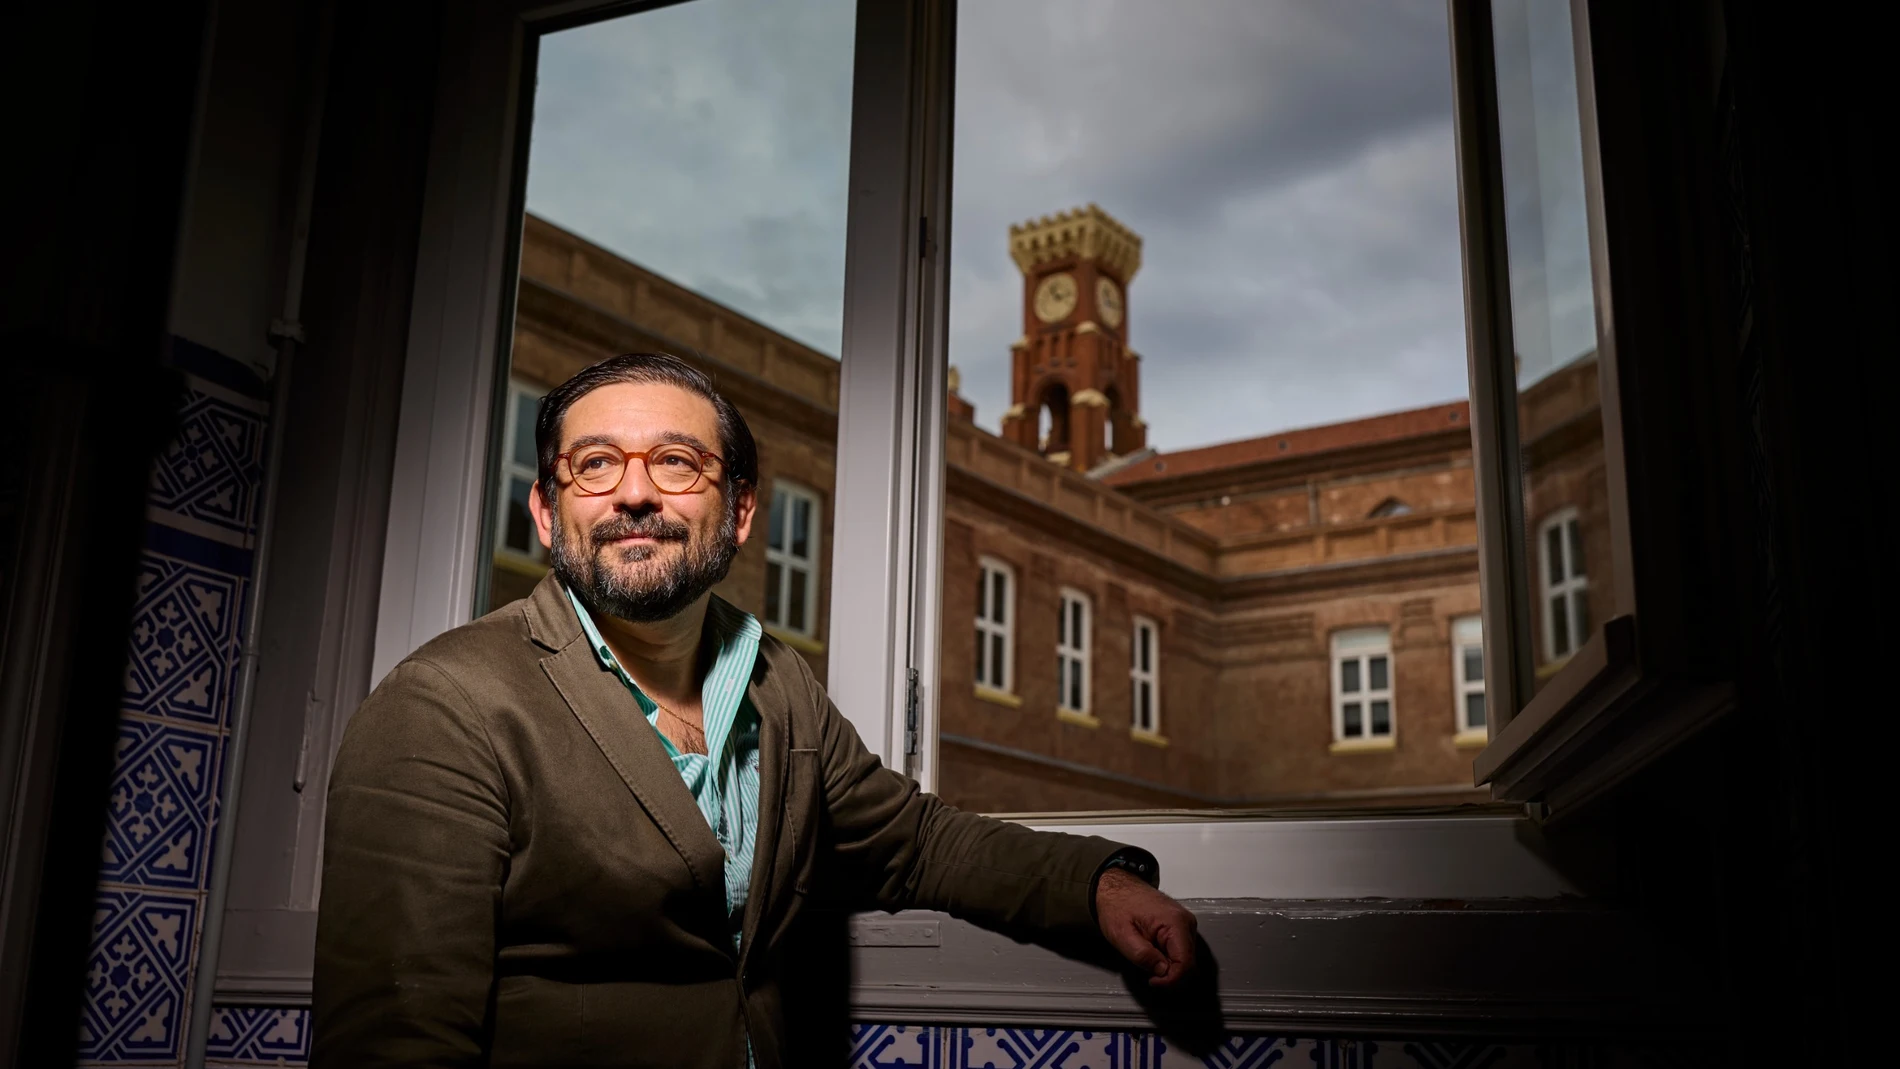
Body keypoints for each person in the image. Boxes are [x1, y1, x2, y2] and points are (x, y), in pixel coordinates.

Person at [312, 353, 1198, 1069]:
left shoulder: (777, 686)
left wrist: (1098, 885)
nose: (633, 493)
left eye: (675, 462)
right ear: (547, 512)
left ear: (738, 512)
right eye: (594, 466)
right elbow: (396, 1045)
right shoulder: (443, 707)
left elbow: (916, 843)